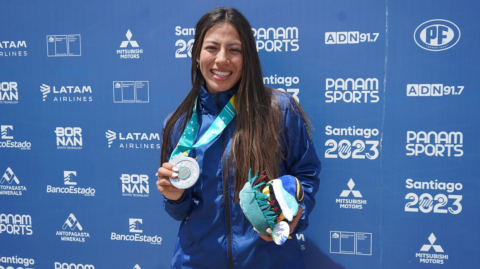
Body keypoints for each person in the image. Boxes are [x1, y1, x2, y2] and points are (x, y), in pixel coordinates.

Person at [156, 7, 321, 269]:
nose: (222, 59)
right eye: (211, 48)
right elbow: (180, 213)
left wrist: (292, 215)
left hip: (270, 262)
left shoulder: (280, 110)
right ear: (197, 54)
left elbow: (306, 176)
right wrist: (175, 197)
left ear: (248, 58)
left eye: (234, 50)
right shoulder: (177, 124)